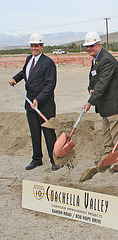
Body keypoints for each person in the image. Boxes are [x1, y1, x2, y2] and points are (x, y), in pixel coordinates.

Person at [8, 33, 60, 171]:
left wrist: (39, 99)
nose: (34, 48)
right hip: (30, 103)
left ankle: (54, 160)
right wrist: (15, 79)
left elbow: (50, 85)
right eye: (32, 46)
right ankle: (37, 159)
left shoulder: (48, 62)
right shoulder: (29, 59)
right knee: (35, 132)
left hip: (44, 104)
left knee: (48, 133)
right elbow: (24, 73)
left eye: (36, 45)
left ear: (42, 46)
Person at [82, 31, 118, 173]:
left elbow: (103, 84)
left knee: (117, 133)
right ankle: (108, 155)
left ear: (99, 45)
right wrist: (90, 88)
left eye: (92, 46)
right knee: (107, 133)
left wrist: (90, 101)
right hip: (105, 105)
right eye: (87, 46)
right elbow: (94, 79)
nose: (89, 48)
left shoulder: (106, 60)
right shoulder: (96, 59)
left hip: (114, 104)